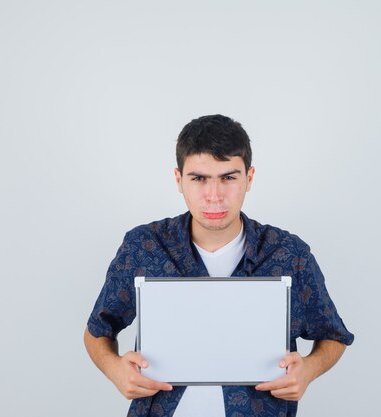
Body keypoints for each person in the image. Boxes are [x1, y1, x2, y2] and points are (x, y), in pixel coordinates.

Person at [84, 114, 354, 417]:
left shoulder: (289, 254)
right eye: (199, 178)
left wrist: (308, 369)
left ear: (249, 178)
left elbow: (333, 335)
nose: (214, 196)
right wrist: (115, 369)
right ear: (178, 179)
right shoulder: (143, 246)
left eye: (228, 177)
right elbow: (97, 329)